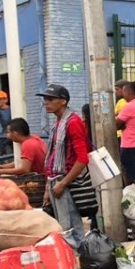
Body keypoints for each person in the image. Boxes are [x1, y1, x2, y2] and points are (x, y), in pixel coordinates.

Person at [39, 84, 91, 248]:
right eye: (45, 99)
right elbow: (53, 157)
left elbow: (82, 158)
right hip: (57, 180)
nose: (46, 103)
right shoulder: (59, 123)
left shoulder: (72, 122)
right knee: (65, 224)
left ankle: (78, 256)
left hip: (66, 181)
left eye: (50, 99)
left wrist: (63, 183)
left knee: (69, 226)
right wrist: (49, 188)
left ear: (63, 101)